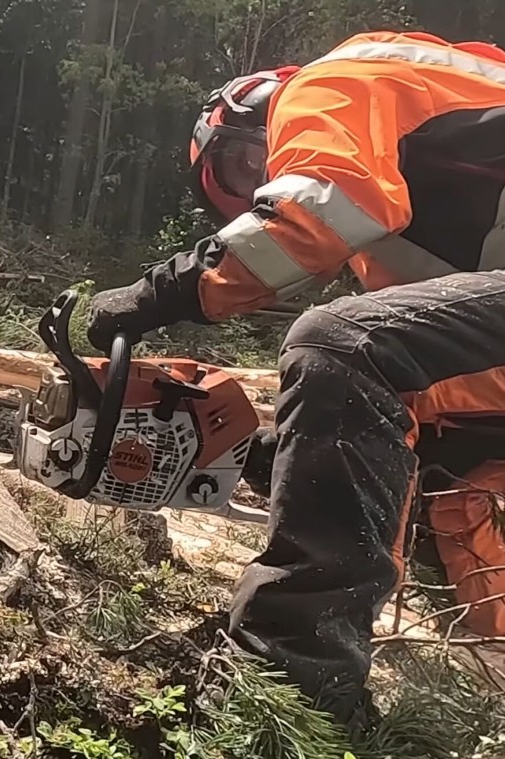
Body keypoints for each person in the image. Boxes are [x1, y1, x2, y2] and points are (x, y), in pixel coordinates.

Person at [85, 30, 505, 725]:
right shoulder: (427, 228)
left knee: (341, 344)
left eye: (251, 167)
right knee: (448, 489)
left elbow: (312, 213)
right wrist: (296, 454)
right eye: (241, 190)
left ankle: (290, 685)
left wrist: (154, 295)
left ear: (253, 106)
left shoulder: (335, 80)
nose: (261, 187)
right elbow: (437, 433)